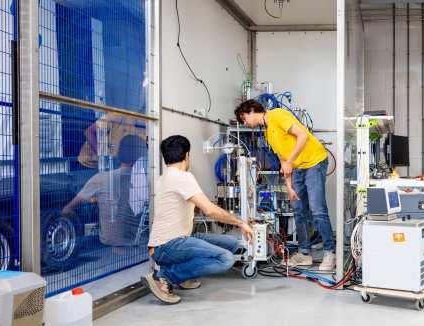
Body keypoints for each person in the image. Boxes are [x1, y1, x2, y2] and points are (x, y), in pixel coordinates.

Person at [143, 135, 254, 305]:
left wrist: (208, 205)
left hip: (171, 241)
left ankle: (182, 274)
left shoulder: (164, 177)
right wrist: (241, 223)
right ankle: (165, 276)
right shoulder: (183, 177)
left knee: (232, 243)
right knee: (225, 258)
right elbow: (209, 210)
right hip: (169, 245)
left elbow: (189, 204)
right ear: (187, 156)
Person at [234, 100, 335, 270]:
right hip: (298, 168)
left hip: (314, 162)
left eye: (244, 118)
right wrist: (289, 188)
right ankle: (304, 253)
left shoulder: (277, 115)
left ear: (252, 110)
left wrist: (290, 161)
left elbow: (302, 135)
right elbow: (283, 162)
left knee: (317, 209)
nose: (245, 123)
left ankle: (329, 253)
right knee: (297, 208)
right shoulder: (268, 134)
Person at [63, 135, 147, 247]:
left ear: (119, 153)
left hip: (108, 241)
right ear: (139, 157)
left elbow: (68, 208)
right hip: (136, 242)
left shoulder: (100, 178)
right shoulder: (144, 180)